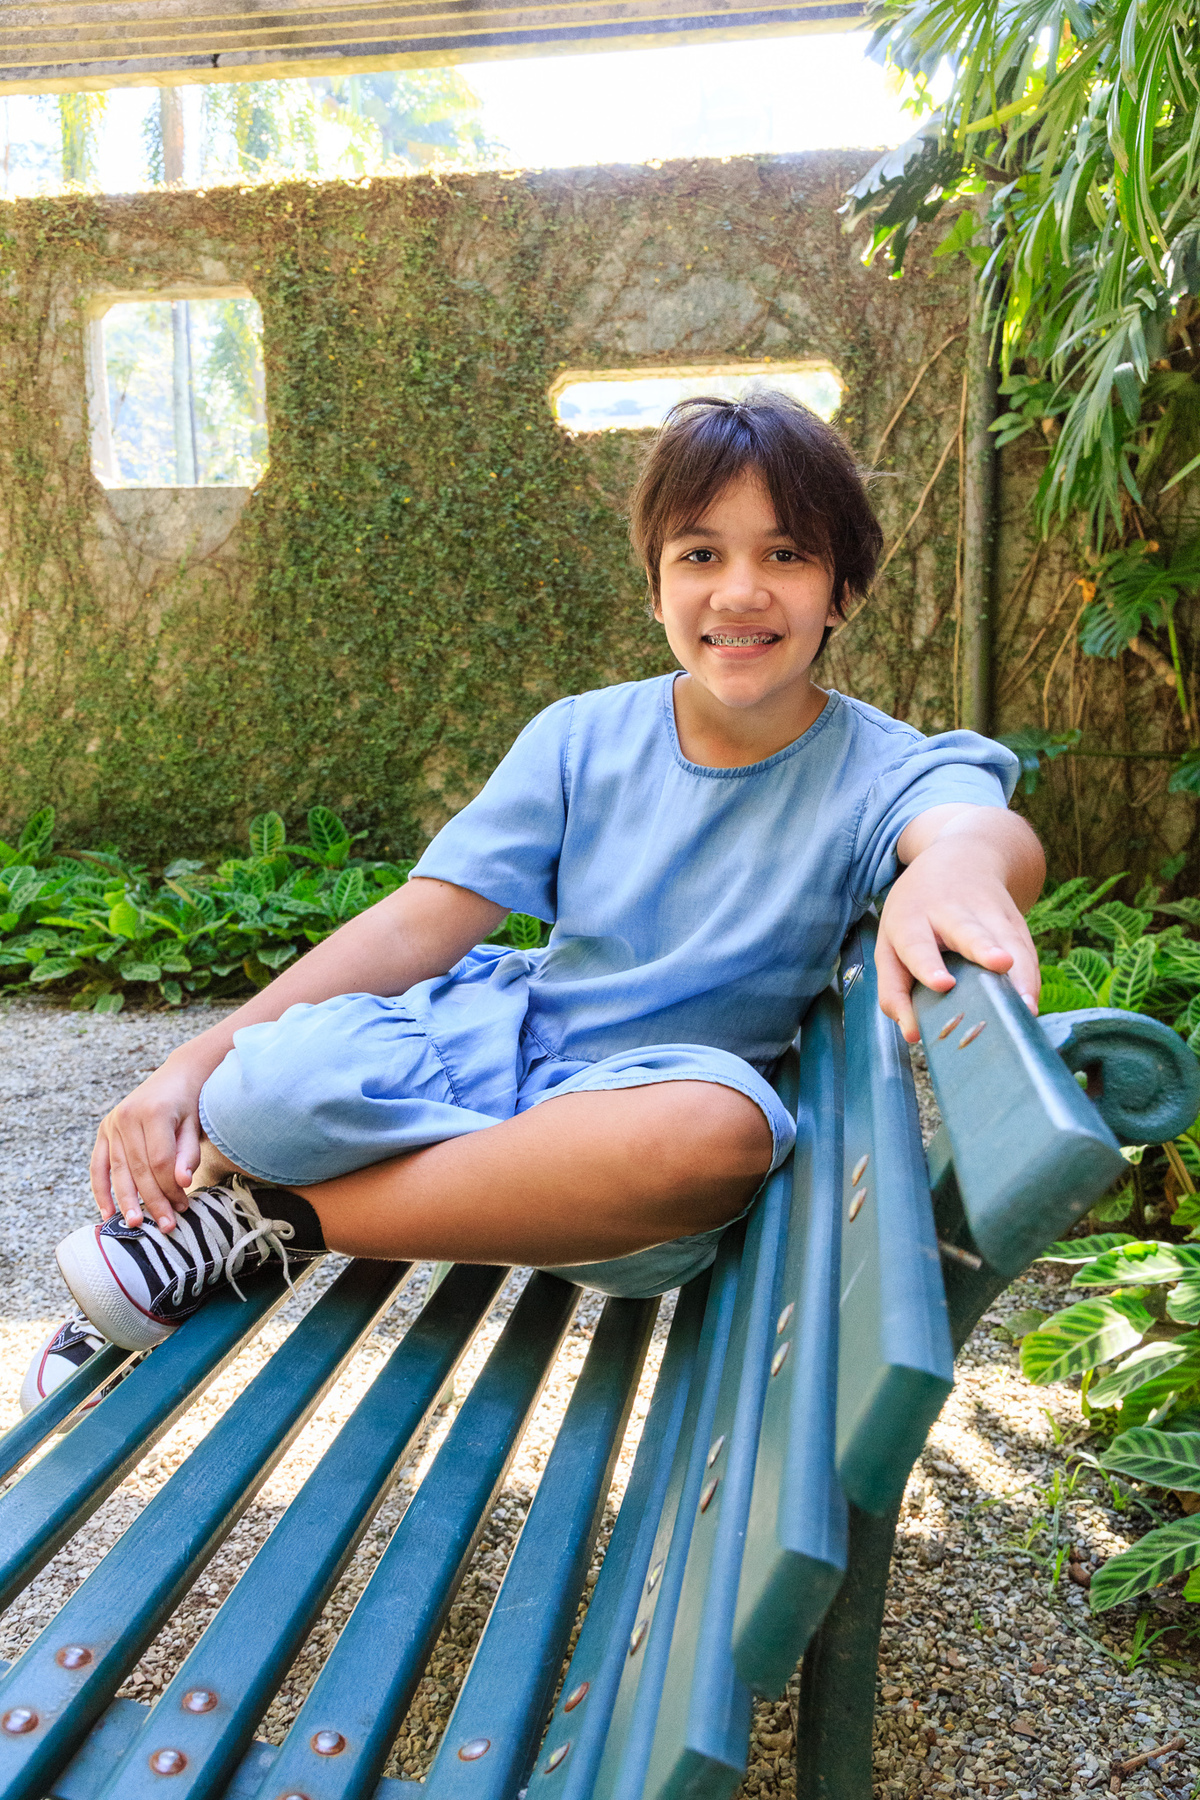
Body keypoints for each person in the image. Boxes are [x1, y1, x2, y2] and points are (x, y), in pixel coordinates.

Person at [23, 391, 1043, 1398]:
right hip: (497, 1047)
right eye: (700, 554)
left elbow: (975, 826)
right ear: (656, 589)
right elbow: (422, 923)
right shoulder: (581, 736)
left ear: (841, 589)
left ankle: (271, 1221)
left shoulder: (879, 771)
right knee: (259, 1090)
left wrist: (952, 869)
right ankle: (197, 1227)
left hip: (632, 1122)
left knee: (721, 1136)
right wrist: (191, 1063)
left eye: (785, 554)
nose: (739, 591)